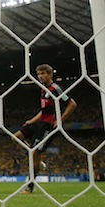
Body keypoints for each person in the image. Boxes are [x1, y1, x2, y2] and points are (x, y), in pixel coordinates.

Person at [13, 64, 77, 194]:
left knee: (35, 153)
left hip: (49, 125)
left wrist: (60, 119)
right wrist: (31, 121)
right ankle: (38, 161)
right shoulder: (43, 90)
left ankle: (30, 186)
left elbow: (72, 104)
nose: (41, 76)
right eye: (39, 74)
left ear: (50, 74)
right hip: (40, 122)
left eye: (43, 73)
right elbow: (43, 111)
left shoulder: (55, 89)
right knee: (16, 137)